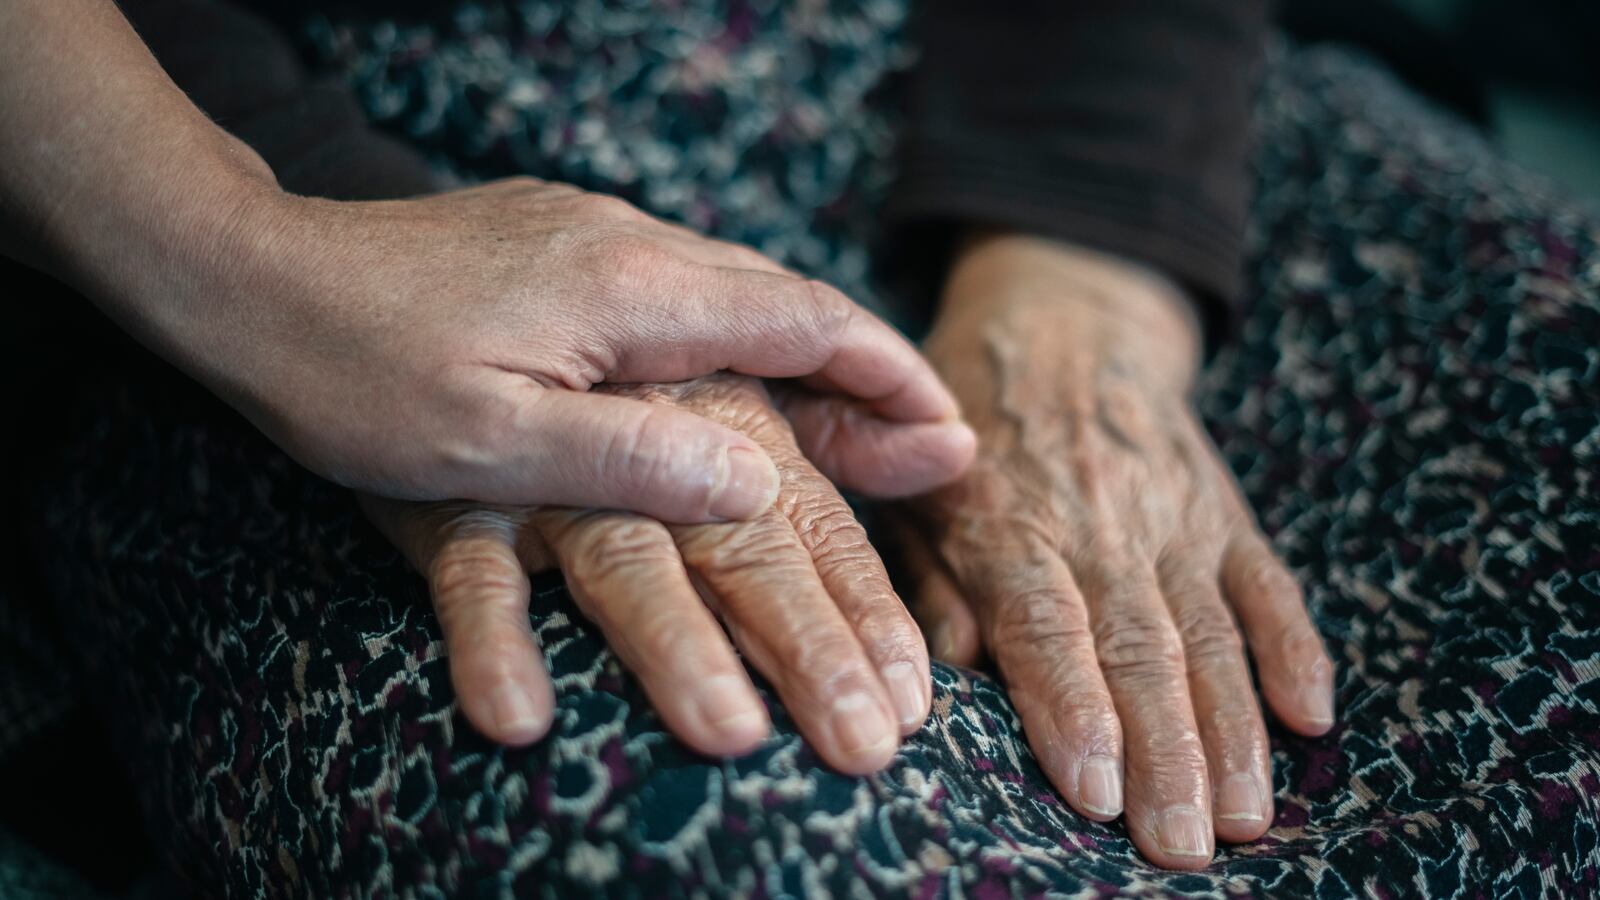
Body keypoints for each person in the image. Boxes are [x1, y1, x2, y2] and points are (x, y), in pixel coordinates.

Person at [8, 0, 1596, 895]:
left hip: (1017, 80)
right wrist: (261, 238)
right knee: (693, 833)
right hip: (261, 187)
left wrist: (1083, 258)